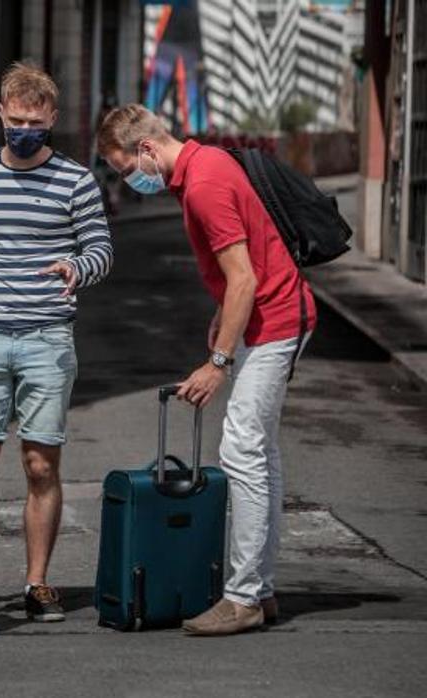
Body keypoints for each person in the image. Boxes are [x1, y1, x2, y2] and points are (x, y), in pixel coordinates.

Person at [97, 104, 316, 636]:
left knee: (242, 451)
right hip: (273, 318)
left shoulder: (204, 185)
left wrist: (217, 361)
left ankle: (242, 597)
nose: (128, 181)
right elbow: (244, 264)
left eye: (125, 170)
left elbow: (243, 278)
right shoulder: (204, 167)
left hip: (277, 321)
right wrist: (223, 317)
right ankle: (258, 590)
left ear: (147, 150)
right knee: (258, 451)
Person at [0, 63, 113, 624]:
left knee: (41, 465)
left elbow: (102, 250)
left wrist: (76, 267)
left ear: (53, 119)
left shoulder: (76, 180)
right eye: (16, 121)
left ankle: (37, 583)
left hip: (47, 338)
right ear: (0, 116)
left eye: (36, 121)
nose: (25, 130)